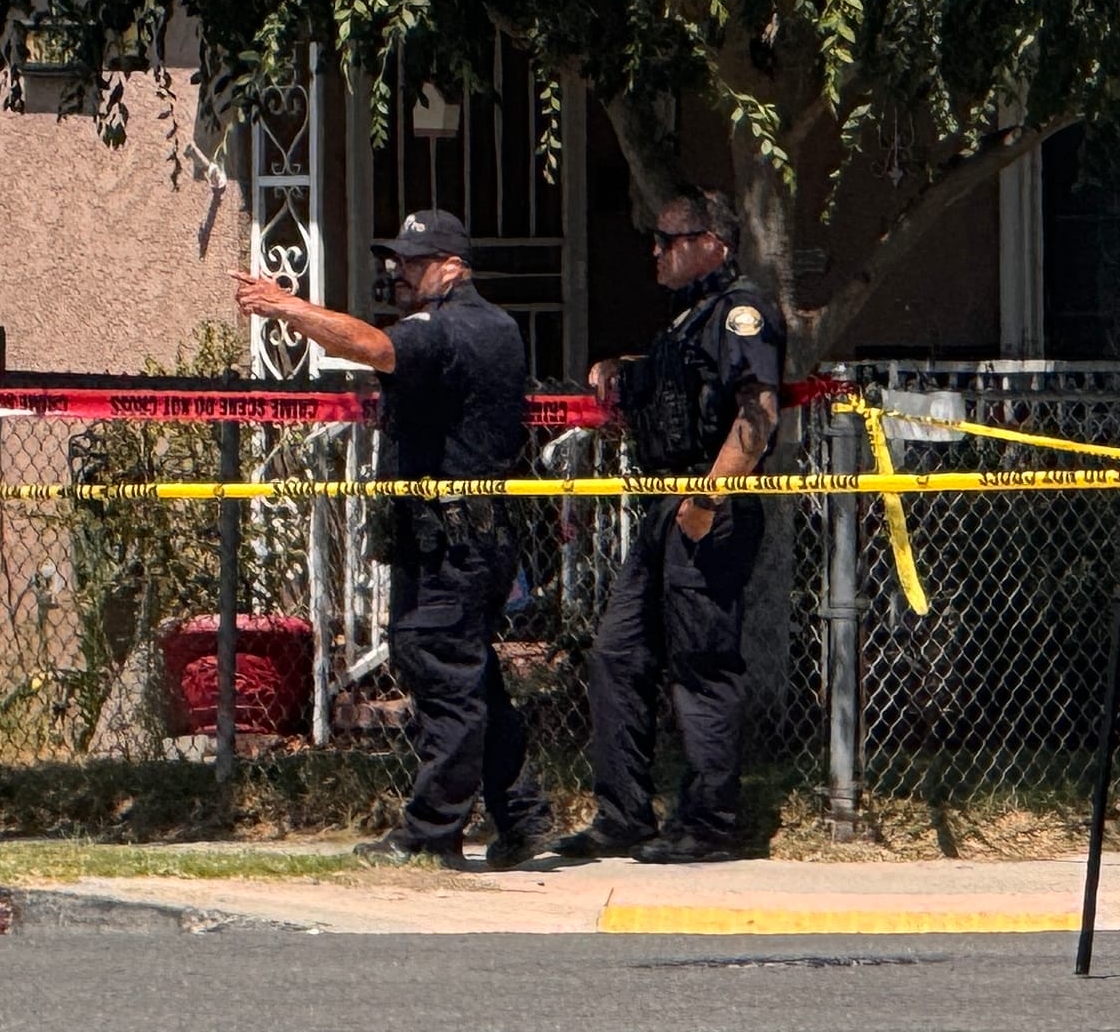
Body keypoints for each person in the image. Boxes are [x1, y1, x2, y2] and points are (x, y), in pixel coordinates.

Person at [232, 208, 554, 870]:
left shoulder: (449, 326)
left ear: (453, 264)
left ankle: (432, 832)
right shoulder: (489, 327)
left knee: (442, 673)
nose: (397, 271)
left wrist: (287, 307)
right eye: (397, 259)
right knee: (472, 676)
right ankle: (521, 815)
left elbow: (377, 347)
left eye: (413, 260)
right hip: (462, 536)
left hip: (453, 543)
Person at [551, 188, 784, 864]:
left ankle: (710, 823)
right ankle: (623, 814)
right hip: (665, 504)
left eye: (667, 239)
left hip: (707, 506)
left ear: (712, 242)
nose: (655, 250)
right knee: (617, 654)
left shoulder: (743, 312)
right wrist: (620, 372)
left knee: (700, 665)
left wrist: (707, 501)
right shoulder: (688, 321)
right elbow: (672, 387)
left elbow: (758, 415)